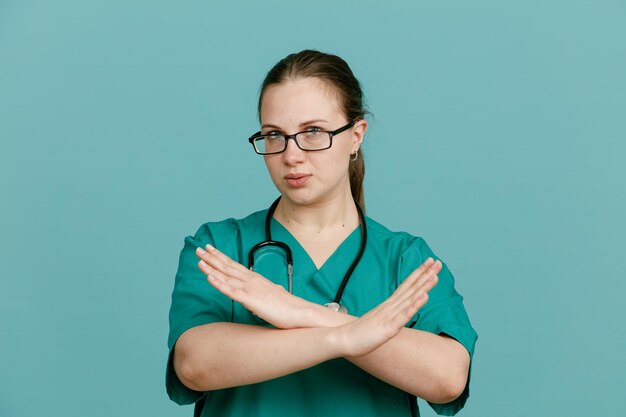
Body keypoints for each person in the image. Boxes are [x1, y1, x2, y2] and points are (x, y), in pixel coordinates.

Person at [166, 49, 478, 417]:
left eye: (313, 132)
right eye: (274, 135)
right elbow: (195, 365)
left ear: (356, 135)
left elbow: (447, 378)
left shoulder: (403, 258)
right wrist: (346, 336)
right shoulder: (220, 247)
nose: (291, 155)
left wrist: (297, 311)